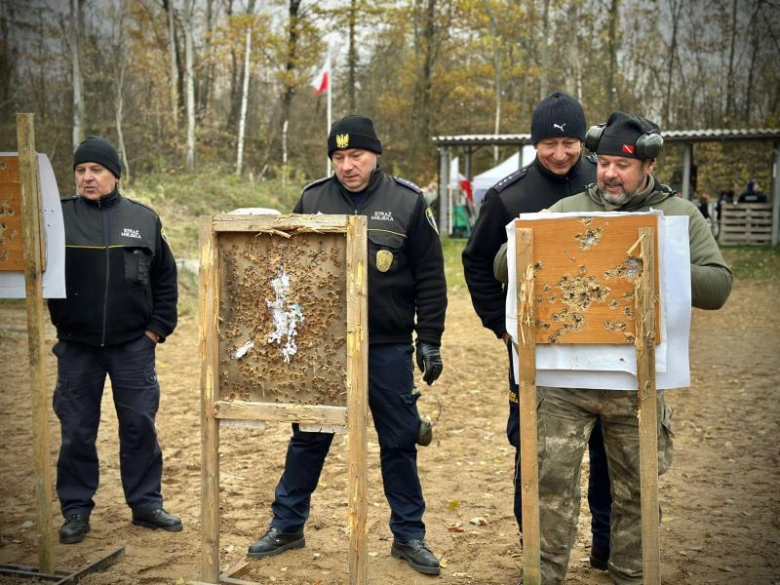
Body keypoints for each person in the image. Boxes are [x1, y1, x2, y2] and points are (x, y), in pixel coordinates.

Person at [494, 112, 733, 584]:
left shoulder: (679, 215)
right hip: (566, 380)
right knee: (548, 485)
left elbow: (718, 286)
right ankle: (541, 576)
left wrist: (655, 259)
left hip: (637, 381)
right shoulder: (571, 210)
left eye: (621, 166)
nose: (608, 174)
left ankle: (631, 575)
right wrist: (534, 237)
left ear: (647, 166)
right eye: (602, 163)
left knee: (637, 491)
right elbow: (505, 265)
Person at [247, 115, 447, 576]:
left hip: (387, 345)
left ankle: (409, 535)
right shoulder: (313, 198)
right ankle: (287, 524)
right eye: (338, 158)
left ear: (376, 155)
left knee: (399, 441)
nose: (347, 165)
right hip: (324, 348)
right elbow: (289, 270)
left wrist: (429, 340)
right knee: (309, 437)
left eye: (356, 155)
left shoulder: (408, 202)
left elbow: (431, 279)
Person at [461, 91, 613, 570]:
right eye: (550, 143)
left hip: (603, 346)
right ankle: (536, 547)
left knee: (607, 447)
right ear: (534, 144)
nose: (561, 153)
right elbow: (477, 264)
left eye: (570, 142)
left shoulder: (606, 183)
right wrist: (499, 328)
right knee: (533, 447)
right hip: (533, 351)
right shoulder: (509, 195)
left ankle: (606, 543)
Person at [48, 136, 181, 544]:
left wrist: (155, 330)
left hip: (131, 346)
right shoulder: (56, 219)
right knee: (76, 431)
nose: (87, 178)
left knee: (140, 425)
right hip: (77, 346)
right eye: (81, 171)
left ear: (115, 175)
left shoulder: (143, 219)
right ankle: (75, 509)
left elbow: (165, 279)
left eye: (96, 170)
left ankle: (145, 504)